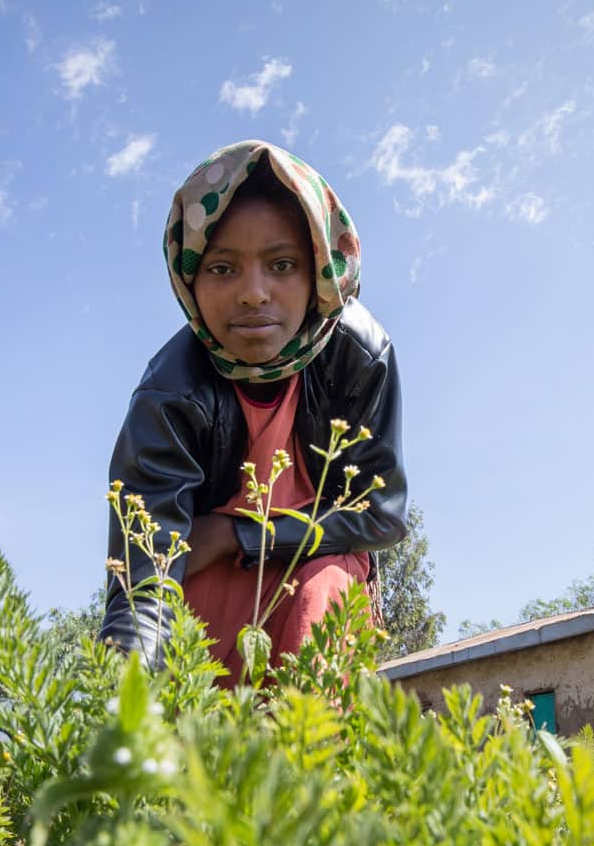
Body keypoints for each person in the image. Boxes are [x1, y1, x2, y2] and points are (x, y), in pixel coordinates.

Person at [97, 139, 407, 682]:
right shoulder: (169, 393)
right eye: (222, 269)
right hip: (205, 595)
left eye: (282, 264)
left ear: (319, 273)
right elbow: (143, 586)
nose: (253, 294)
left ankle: (309, 751)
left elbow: (381, 514)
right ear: (188, 277)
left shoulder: (361, 358)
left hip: (310, 580)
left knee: (328, 585)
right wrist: (120, 708)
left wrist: (235, 535)